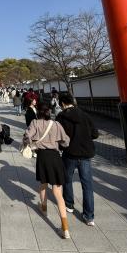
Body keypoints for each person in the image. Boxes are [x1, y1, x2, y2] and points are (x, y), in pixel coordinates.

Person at [23, 103, 71, 238]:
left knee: (43, 184)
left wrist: (31, 143)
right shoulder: (56, 124)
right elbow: (66, 141)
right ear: (49, 112)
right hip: (55, 157)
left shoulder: (35, 123)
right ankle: (65, 227)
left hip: (43, 157)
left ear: (38, 112)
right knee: (57, 191)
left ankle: (43, 207)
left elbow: (27, 136)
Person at [57, 93, 99, 226]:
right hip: (85, 153)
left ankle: (69, 204)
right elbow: (95, 134)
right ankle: (89, 216)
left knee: (67, 179)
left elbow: (59, 136)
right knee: (87, 185)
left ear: (63, 103)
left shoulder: (61, 117)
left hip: (69, 153)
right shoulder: (85, 115)